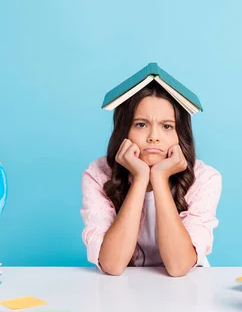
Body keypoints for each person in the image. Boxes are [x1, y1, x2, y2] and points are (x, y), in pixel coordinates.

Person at [81, 81, 222, 277]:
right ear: (124, 131)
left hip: (186, 287)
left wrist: (159, 178)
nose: (153, 137)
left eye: (167, 126)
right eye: (140, 124)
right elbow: (112, 265)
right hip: (123, 287)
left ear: (181, 134)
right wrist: (140, 179)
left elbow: (178, 267)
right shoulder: (98, 174)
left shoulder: (205, 178)